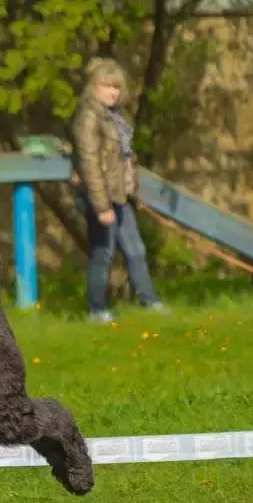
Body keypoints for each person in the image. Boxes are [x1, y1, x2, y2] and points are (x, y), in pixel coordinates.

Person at [71, 57, 168, 323]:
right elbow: (90, 163)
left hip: (120, 196)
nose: (113, 92)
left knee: (136, 249)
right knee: (103, 253)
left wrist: (130, 191)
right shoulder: (89, 118)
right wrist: (101, 206)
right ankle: (97, 310)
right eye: (107, 86)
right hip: (99, 197)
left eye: (116, 87)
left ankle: (150, 301)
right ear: (93, 87)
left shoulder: (114, 116)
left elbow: (123, 158)